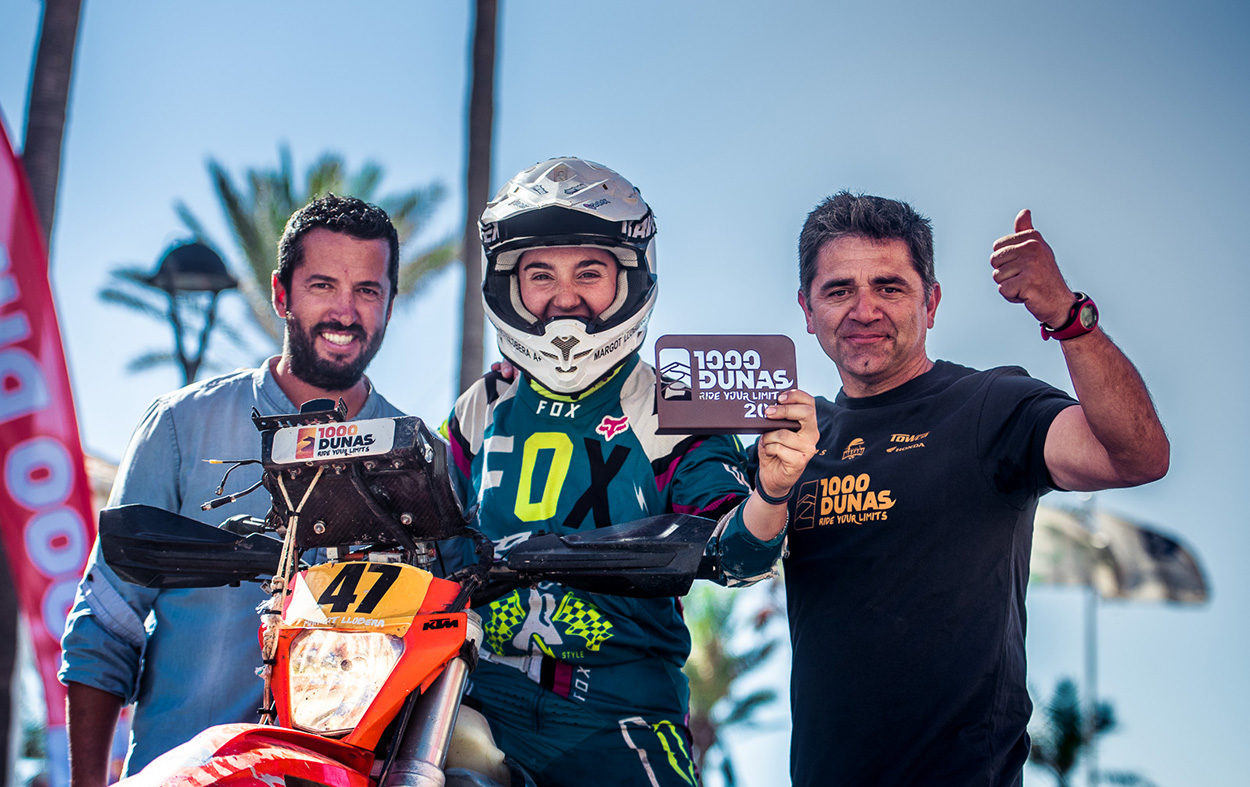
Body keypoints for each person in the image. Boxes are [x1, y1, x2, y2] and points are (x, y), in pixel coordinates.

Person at [441, 157, 817, 786]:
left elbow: (736, 553)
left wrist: (772, 490)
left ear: (629, 279)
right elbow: (428, 538)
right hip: (476, 694)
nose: (565, 297)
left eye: (589, 271)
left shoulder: (670, 407)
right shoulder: (481, 407)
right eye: (541, 274)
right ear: (510, 284)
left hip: (617, 713)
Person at [782, 191, 1169, 786]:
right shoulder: (795, 440)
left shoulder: (991, 406)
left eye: (890, 287)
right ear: (807, 311)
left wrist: (1066, 315)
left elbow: (1137, 456)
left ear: (931, 303)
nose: (864, 310)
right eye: (839, 290)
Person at [59, 194, 407, 785]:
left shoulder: (412, 458)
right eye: (323, 285)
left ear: (390, 303)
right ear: (281, 294)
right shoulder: (180, 426)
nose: (345, 313)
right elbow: (105, 628)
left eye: (367, 290)